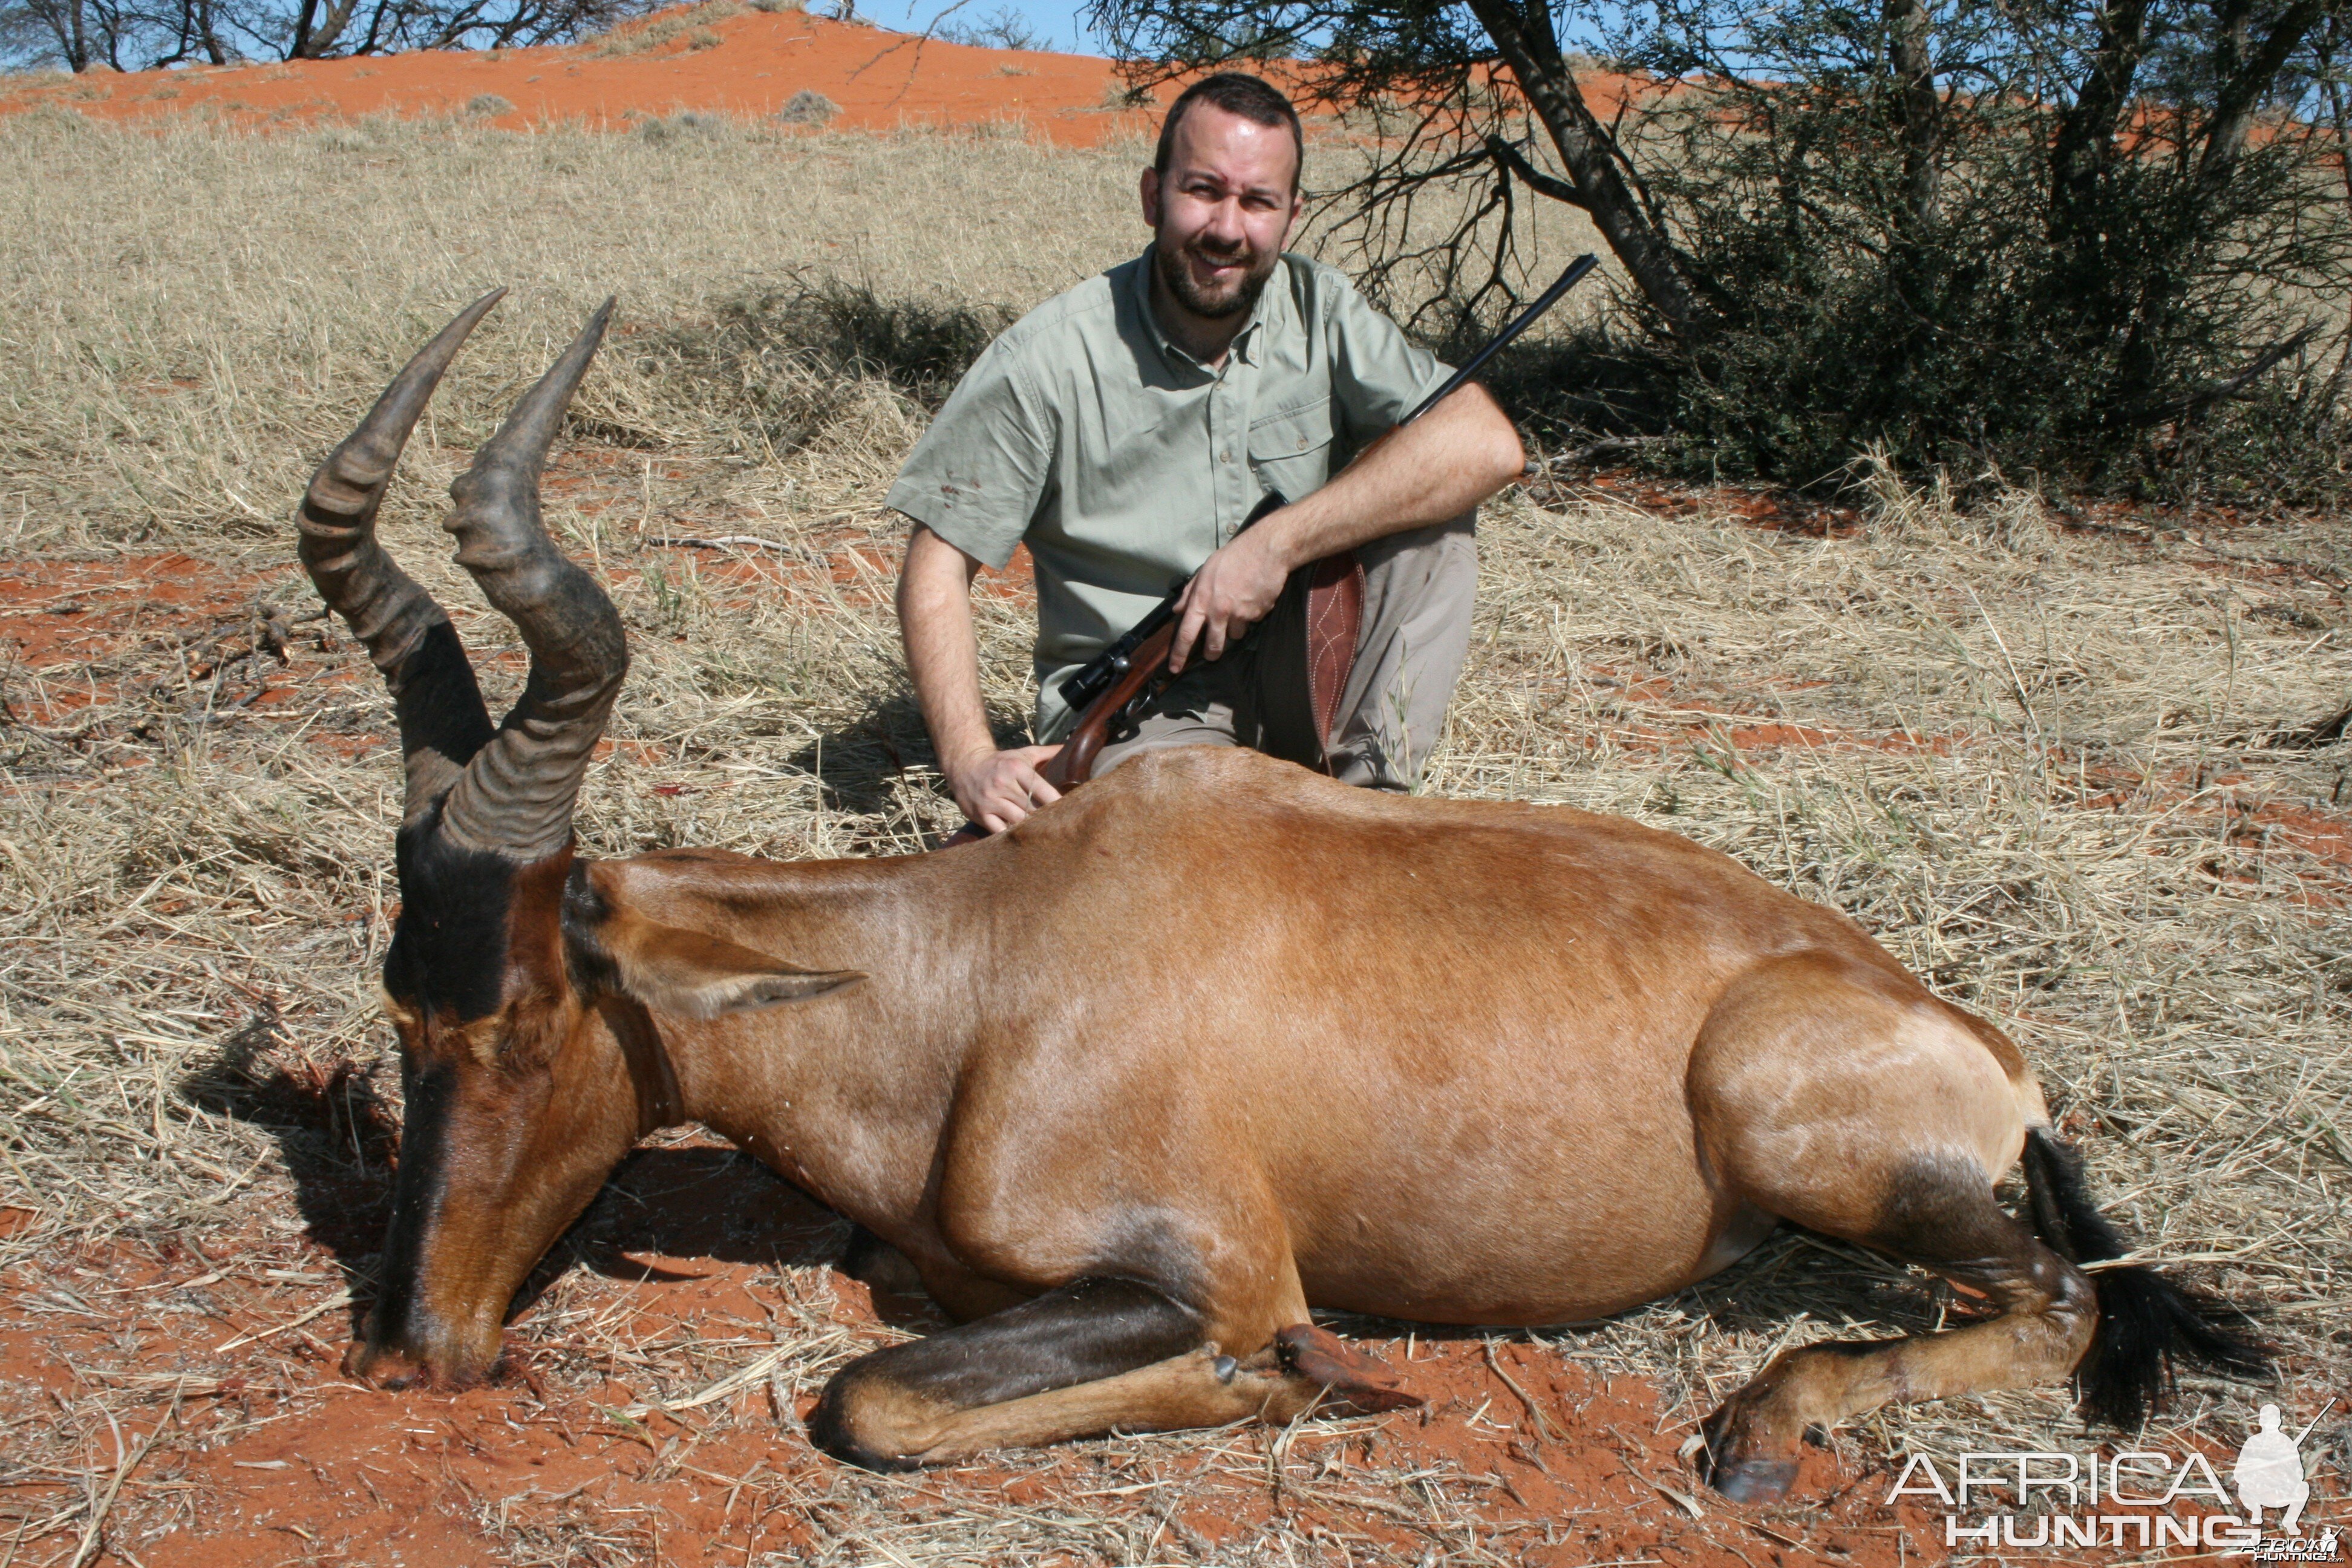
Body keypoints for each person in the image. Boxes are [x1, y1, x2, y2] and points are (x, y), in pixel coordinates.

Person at [889, 70, 1529, 834]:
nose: (1227, 228)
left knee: (1432, 524)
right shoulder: (1048, 358)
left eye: (1257, 202)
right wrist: (968, 759)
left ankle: (1368, 819)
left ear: (1291, 217)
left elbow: (1486, 445)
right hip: (1142, 709)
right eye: (1203, 191)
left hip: (1298, 664)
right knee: (1187, 856)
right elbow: (936, 563)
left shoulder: (1319, 307)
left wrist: (1275, 544)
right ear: (1152, 195)